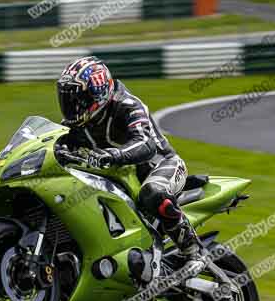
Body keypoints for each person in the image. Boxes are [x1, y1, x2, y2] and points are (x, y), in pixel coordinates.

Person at [56, 56, 206, 273]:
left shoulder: (127, 105)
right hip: (123, 179)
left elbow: (146, 143)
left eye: (77, 99)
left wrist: (113, 155)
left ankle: (193, 249)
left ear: (97, 93)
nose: (72, 106)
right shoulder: (79, 124)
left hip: (162, 166)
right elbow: (57, 141)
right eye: (68, 99)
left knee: (152, 192)